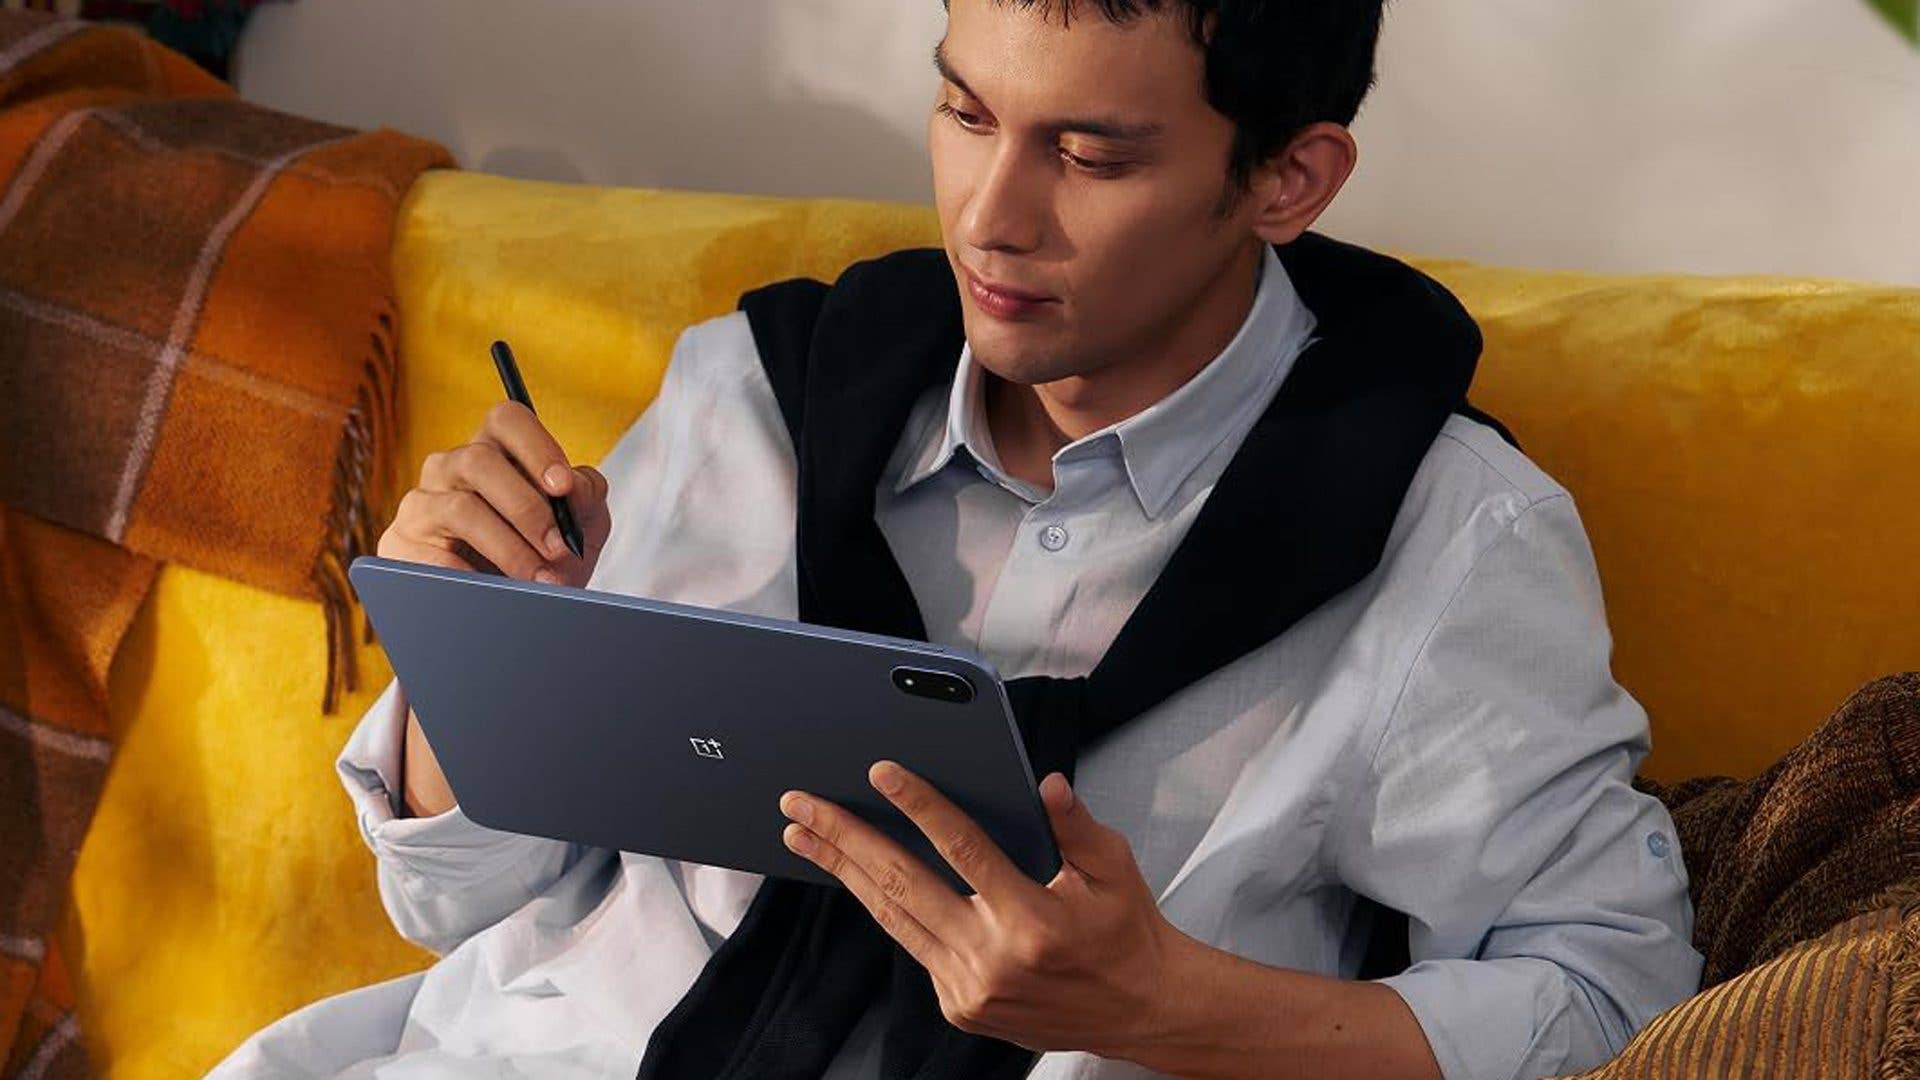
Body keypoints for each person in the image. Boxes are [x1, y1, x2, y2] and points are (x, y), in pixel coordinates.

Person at [212, 1, 1704, 1077]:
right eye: (967, 112)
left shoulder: (1444, 539)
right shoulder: (763, 391)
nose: (989, 216)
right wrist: (483, 642)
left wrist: (1164, 1006)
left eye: (1091, 156)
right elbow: (447, 898)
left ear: (1286, 180)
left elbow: (1618, 998)